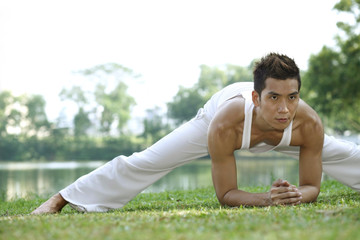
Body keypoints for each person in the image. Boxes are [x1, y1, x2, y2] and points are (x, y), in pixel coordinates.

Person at [31, 53, 360, 214]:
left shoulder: (307, 123)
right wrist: (267, 200)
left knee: (345, 154)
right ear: (257, 98)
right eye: (274, 98)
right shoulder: (225, 122)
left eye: (292, 97)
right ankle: (63, 197)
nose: (284, 109)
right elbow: (226, 194)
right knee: (148, 160)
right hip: (218, 115)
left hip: (280, 133)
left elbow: (312, 187)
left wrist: (296, 195)